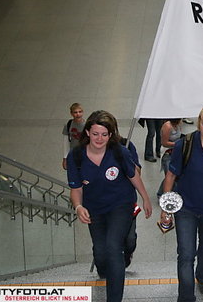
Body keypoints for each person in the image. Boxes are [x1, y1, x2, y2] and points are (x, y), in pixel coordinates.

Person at [67, 110, 152, 302]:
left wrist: (145, 197)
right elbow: (76, 188)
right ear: (87, 132)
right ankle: (104, 270)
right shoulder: (77, 156)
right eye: (95, 133)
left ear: (111, 135)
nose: (99, 138)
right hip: (94, 208)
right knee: (100, 250)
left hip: (120, 205)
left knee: (114, 247)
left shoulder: (119, 152)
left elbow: (133, 176)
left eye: (104, 134)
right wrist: (79, 206)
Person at [160, 104, 203, 302]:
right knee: (185, 253)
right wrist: (166, 207)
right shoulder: (187, 144)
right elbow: (171, 174)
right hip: (185, 208)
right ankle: (185, 296)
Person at [62, 103, 85, 170]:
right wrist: (65, 158)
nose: (78, 114)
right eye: (75, 112)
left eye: (80, 112)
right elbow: (65, 142)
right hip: (73, 153)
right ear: (71, 113)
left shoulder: (87, 125)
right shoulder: (68, 125)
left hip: (85, 153)